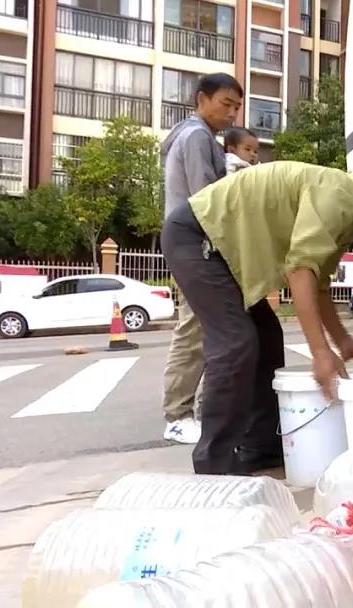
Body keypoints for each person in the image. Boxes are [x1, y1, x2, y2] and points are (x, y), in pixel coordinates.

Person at [162, 159, 353, 474]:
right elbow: (300, 271)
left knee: (268, 337)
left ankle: (261, 447)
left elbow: (320, 284)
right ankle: (214, 463)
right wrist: (320, 353)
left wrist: (341, 339)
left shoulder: (349, 215)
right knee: (235, 343)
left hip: (220, 251)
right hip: (197, 238)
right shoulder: (338, 196)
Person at [160, 72, 243, 446]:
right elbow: (207, 198)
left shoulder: (199, 137)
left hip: (191, 243)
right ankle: (177, 415)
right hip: (195, 244)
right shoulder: (196, 137)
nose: (232, 114)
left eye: (237, 107)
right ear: (202, 99)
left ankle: (197, 410)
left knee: (205, 329)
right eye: (226, 104)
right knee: (194, 330)